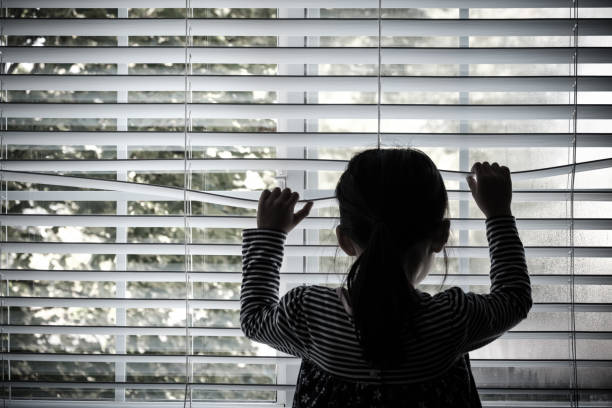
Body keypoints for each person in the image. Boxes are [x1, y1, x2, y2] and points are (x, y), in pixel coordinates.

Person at [240, 148, 532, 407]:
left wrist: (270, 235)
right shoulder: (450, 320)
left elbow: (254, 319)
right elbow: (514, 299)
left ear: (344, 239)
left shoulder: (309, 314)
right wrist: (498, 214)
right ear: (442, 234)